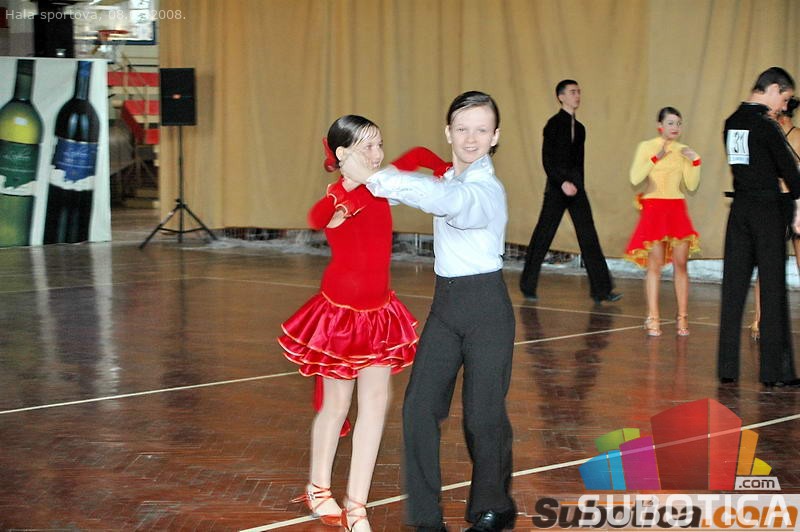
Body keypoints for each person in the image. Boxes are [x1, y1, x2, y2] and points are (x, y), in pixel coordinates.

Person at [342, 91, 517, 532]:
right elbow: (412, 194)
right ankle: (425, 519)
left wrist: (376, 176)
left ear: (495, 136)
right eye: (462, 128)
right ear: (448, 133)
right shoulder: (448, 179)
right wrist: (361, 170)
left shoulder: (486, 190)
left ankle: (494, 507)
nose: (471, 138)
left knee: (483, 416)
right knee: (418, 408)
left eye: (481, 130)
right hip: (446, 306)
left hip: (487, 308)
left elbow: (446, 201)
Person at [279, 115, 446, 530]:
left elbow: (418, 155)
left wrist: (444, 168)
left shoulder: (382, 181)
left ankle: (357, 506)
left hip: (379, 314)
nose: (378, 154)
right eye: (367, 147)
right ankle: (318, 489)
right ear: (342, 153)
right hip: (340, 316)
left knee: (375, 407)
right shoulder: (338, 195)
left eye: (379, 144)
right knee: (336, 406)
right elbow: (316, 217)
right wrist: (349, 189)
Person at [717, 67, 800, 388]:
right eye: (785, 99)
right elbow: (790, 173)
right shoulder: (767, 126)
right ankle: (774, 372)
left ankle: (727, 368)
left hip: (739, 212)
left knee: (733, 289)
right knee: (773, 290)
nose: (784, 106)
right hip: (767, 213)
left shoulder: (731, 122)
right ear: (774, 89)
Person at [519, 79, 621, 304]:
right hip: (557, 189)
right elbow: (547, 160)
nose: (577, 96)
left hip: (576, 190)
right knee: (543, 235)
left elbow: (578, 163)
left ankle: (602, 290)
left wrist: (577, 185)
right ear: (561, 97)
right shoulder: (553, 124)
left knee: (589, 236)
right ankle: (527, 285)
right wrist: (562, 182)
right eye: (573, 92)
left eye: (578, 92)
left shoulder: (581, 128)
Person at [624, 107, 702, 336]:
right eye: (670, 123)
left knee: (681, 263)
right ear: (660, 125)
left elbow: (691, 185)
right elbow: (635, 178)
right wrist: (655, 157)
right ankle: (653, 317)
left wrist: (695, 162)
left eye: (678, 123)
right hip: (654, 208)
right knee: (655, 264)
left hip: (676, 208)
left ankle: (682, 317)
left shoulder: (683, 150)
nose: (675, 127)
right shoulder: (647, 146)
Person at [749, 96, 800, 341]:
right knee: (768, 263)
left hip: (791, 203)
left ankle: (759, 319)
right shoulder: (770, 135)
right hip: (777, 203)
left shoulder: (794, 136)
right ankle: (759, 318)